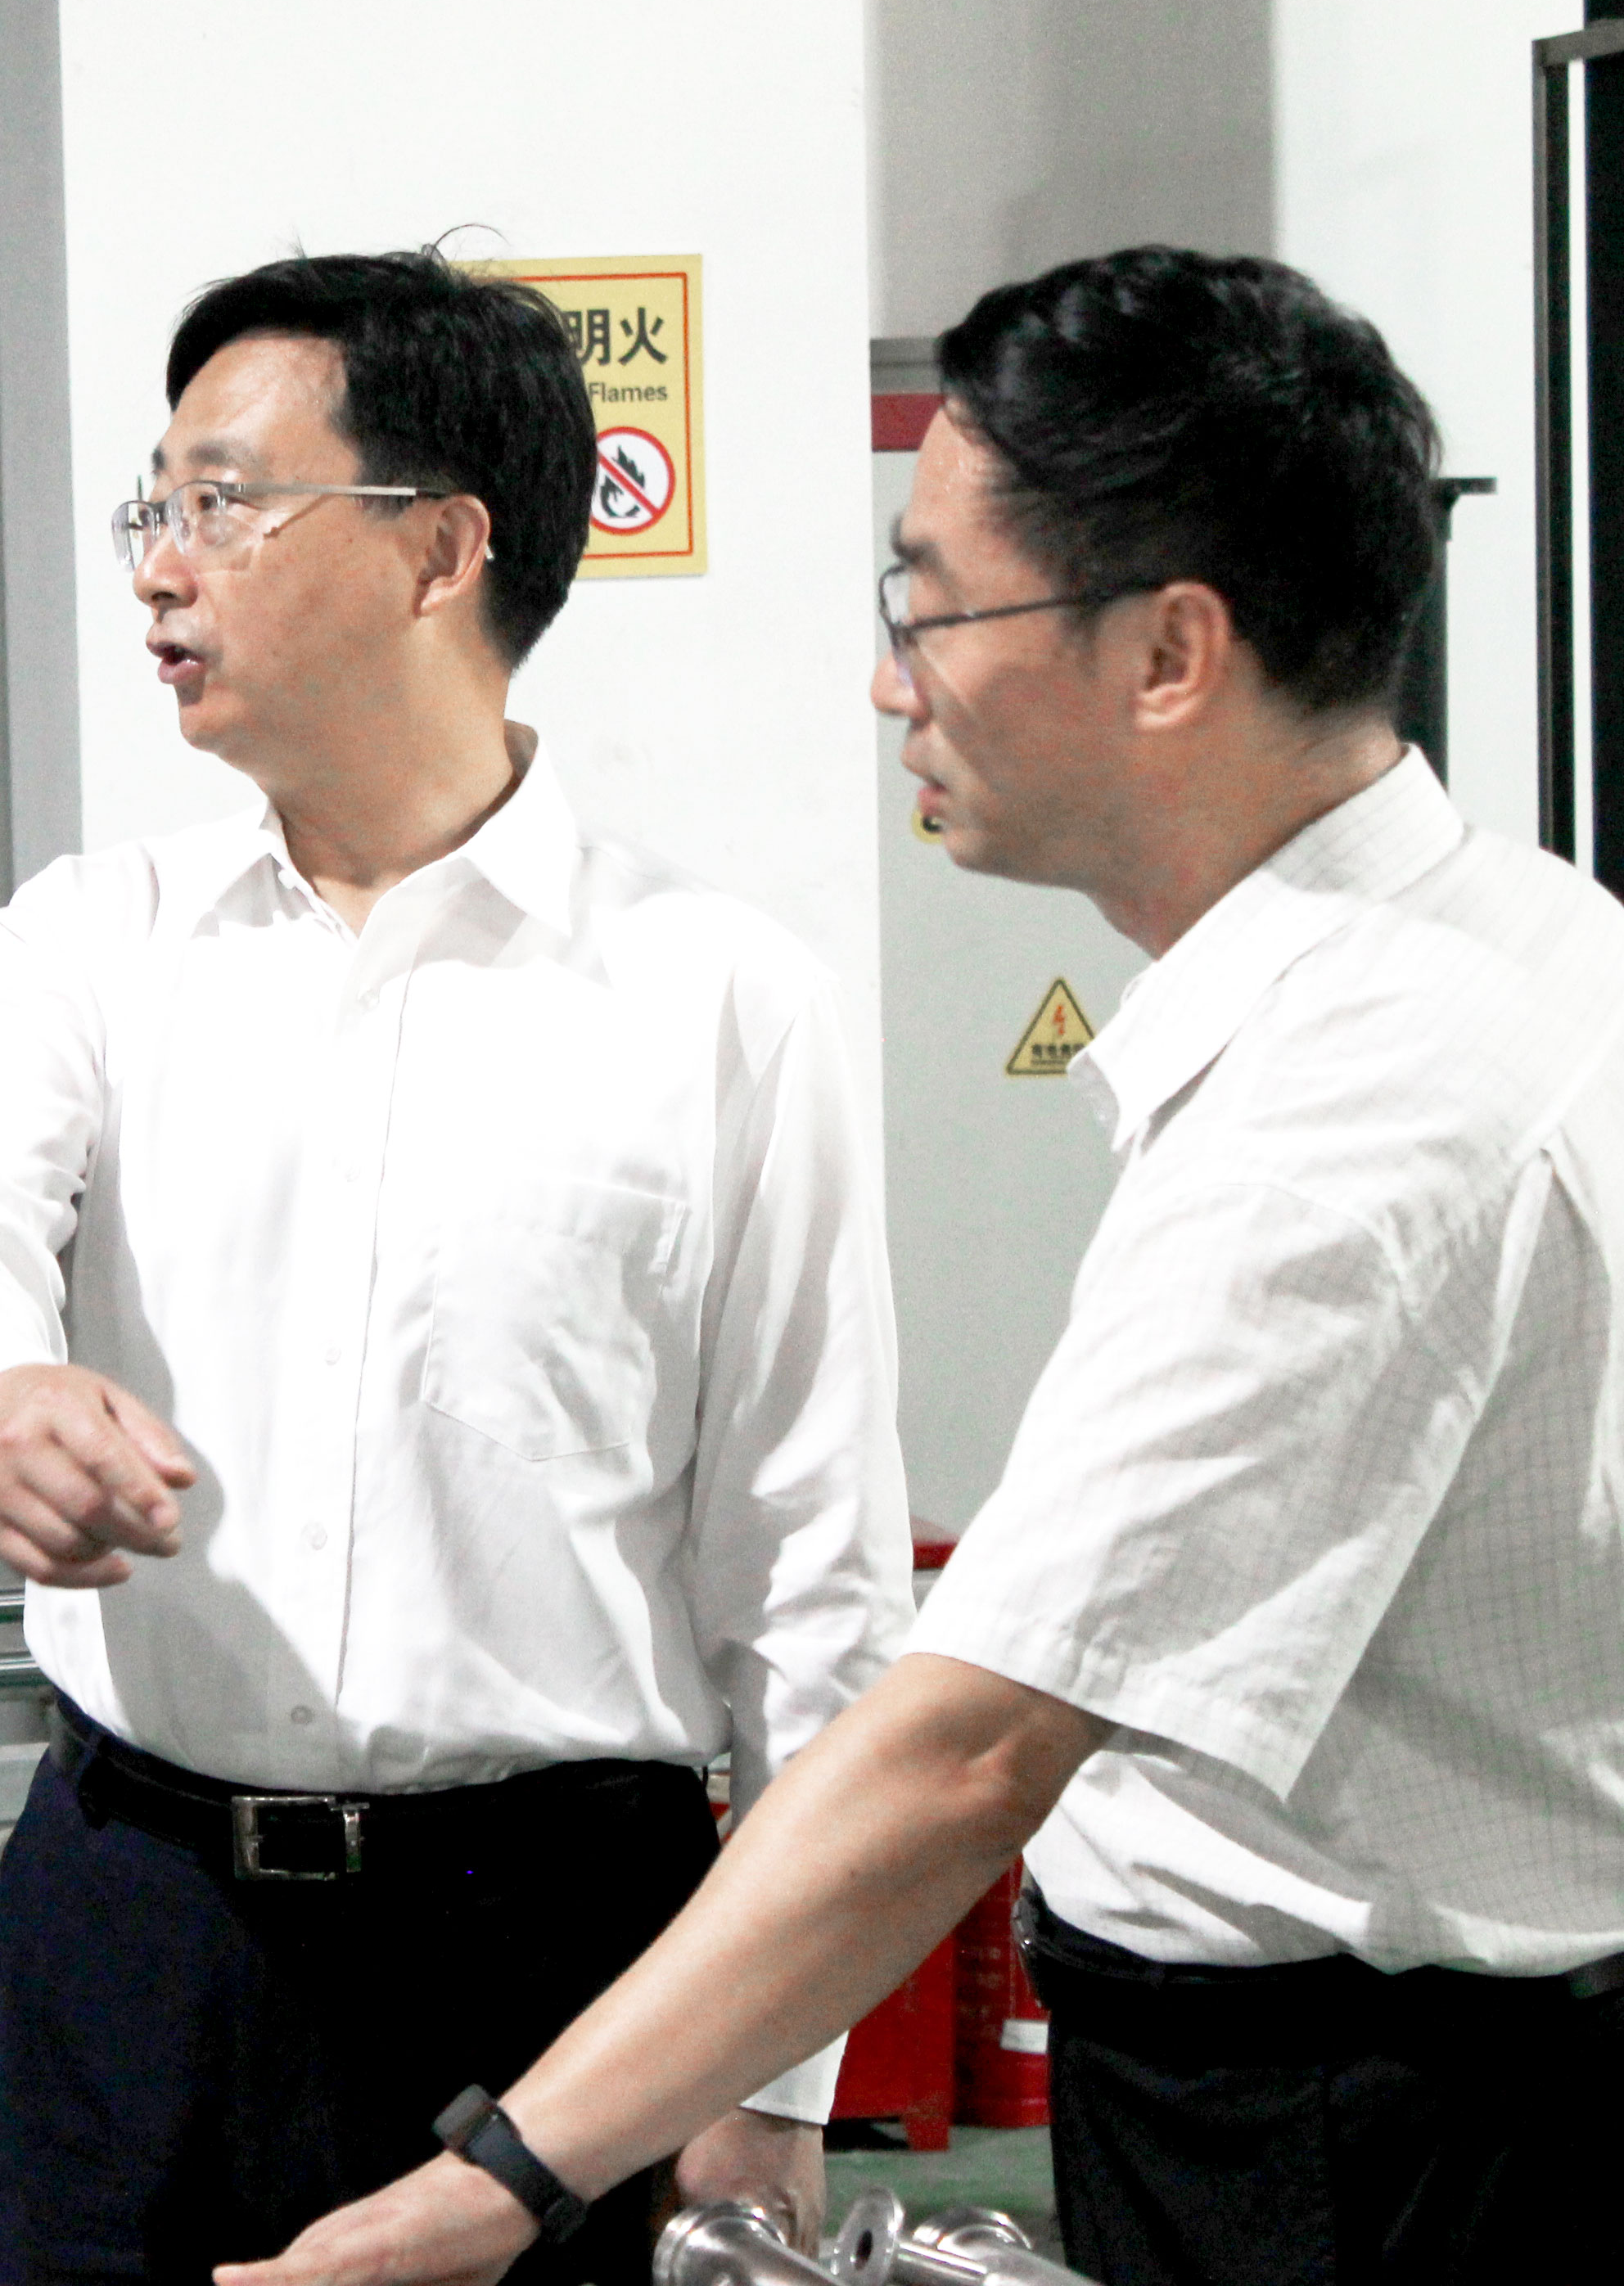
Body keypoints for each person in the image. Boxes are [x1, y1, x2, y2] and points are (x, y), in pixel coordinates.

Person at [222, 246, 1624, 2286]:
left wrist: (494, 2183)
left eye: (933, 610)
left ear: (1172, 652)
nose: (895, 684)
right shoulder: (1525, 935)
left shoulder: (1352, 1108)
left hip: (1360, 2131)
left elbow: (968, 1748)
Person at [0, 249, 912, 2286]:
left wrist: (774, 2078)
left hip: (557, 1954)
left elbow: (807, 1572)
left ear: (439, 548)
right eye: (154, 506)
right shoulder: (100, 939)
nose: (162, 567)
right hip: (139, 1920)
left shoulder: (719, 1002)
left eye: (224, 502)